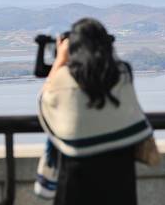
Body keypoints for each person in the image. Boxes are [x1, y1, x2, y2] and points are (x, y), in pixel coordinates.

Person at [37, 18, 153, 205]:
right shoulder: (122, 74)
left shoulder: (64, 78)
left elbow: (46, 99)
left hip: (76, 182)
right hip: (120, 180)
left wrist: (60, 59)